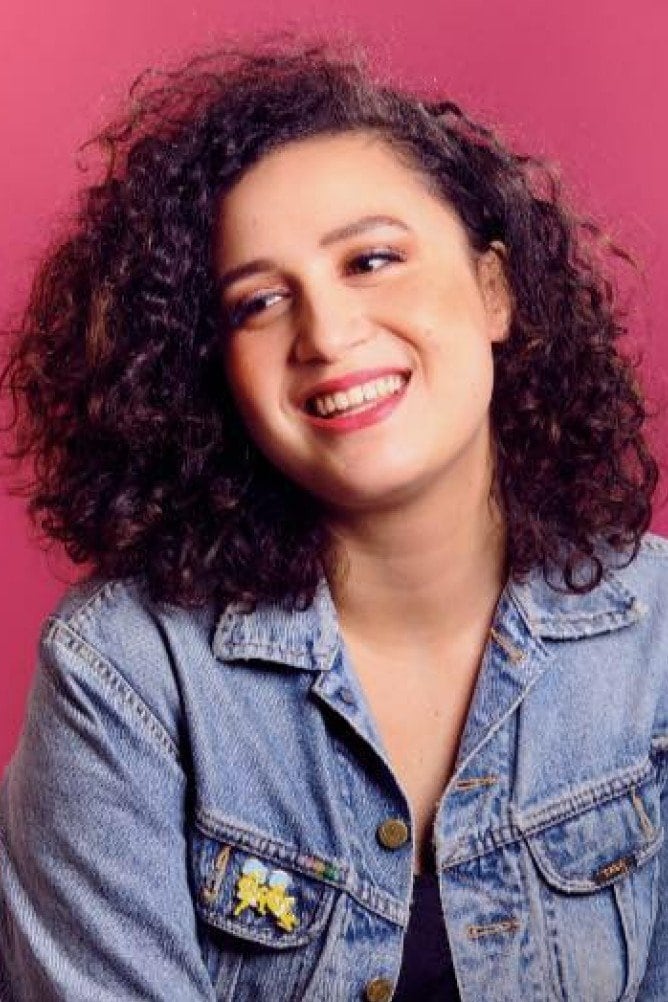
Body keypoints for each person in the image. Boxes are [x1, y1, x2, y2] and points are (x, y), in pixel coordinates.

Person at [0, 36, 666, 1002]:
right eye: (260, 302)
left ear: (495, 290)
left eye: (372, 259)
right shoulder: (125, 675)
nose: (325, 333)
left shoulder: (654, 637)